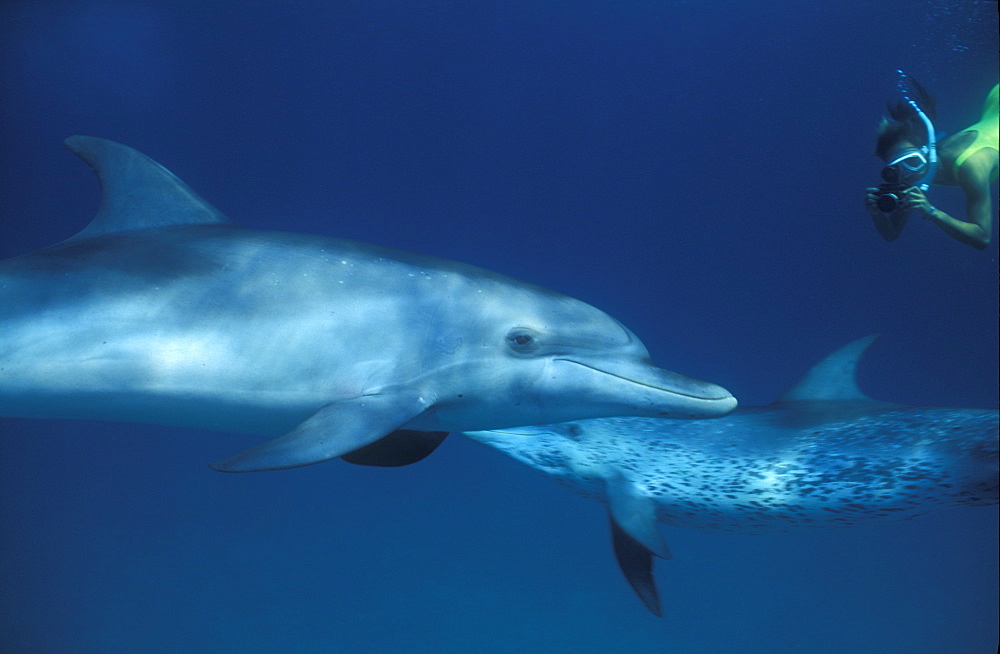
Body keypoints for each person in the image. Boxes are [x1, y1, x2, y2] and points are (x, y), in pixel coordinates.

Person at [865, 75, 998, 250]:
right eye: (897, 168)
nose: (907, 174)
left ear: (927, 151)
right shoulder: (913, 176)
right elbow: (892, 233)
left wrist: (931, 211)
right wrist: (875, 213)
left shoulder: (970, 165)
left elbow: (982, 237)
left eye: (912, 161)